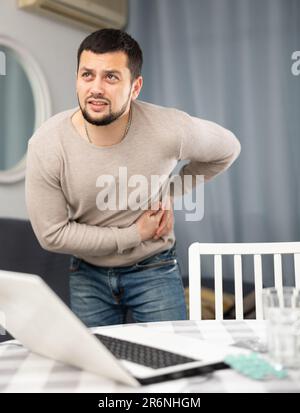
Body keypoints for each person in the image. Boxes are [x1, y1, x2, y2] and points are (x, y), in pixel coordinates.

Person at [25, 29, 241, 327]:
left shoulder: (169, 128)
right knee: (99, 368)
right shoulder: (47, 144)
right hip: (88, 274)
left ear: (135, 86)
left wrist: (170, 192)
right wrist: (135, 234)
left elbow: (228, 149)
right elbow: (51, 234)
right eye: (87, 75)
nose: (96, 88)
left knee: (171, 363)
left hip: (155, 268)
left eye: (111, 77)